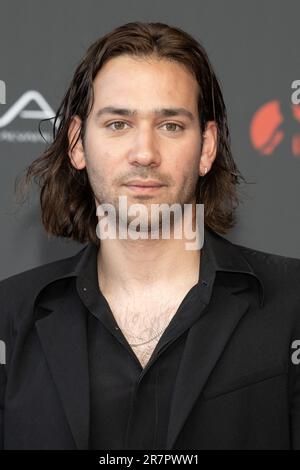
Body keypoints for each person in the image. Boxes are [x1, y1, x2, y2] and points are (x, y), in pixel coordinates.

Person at [1, 21, 300, 450]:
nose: (145, 153)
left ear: (207, 148)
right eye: (119, 124)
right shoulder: (9, 319)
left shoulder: (292, 305)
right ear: (77, 145)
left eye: (171, 126)